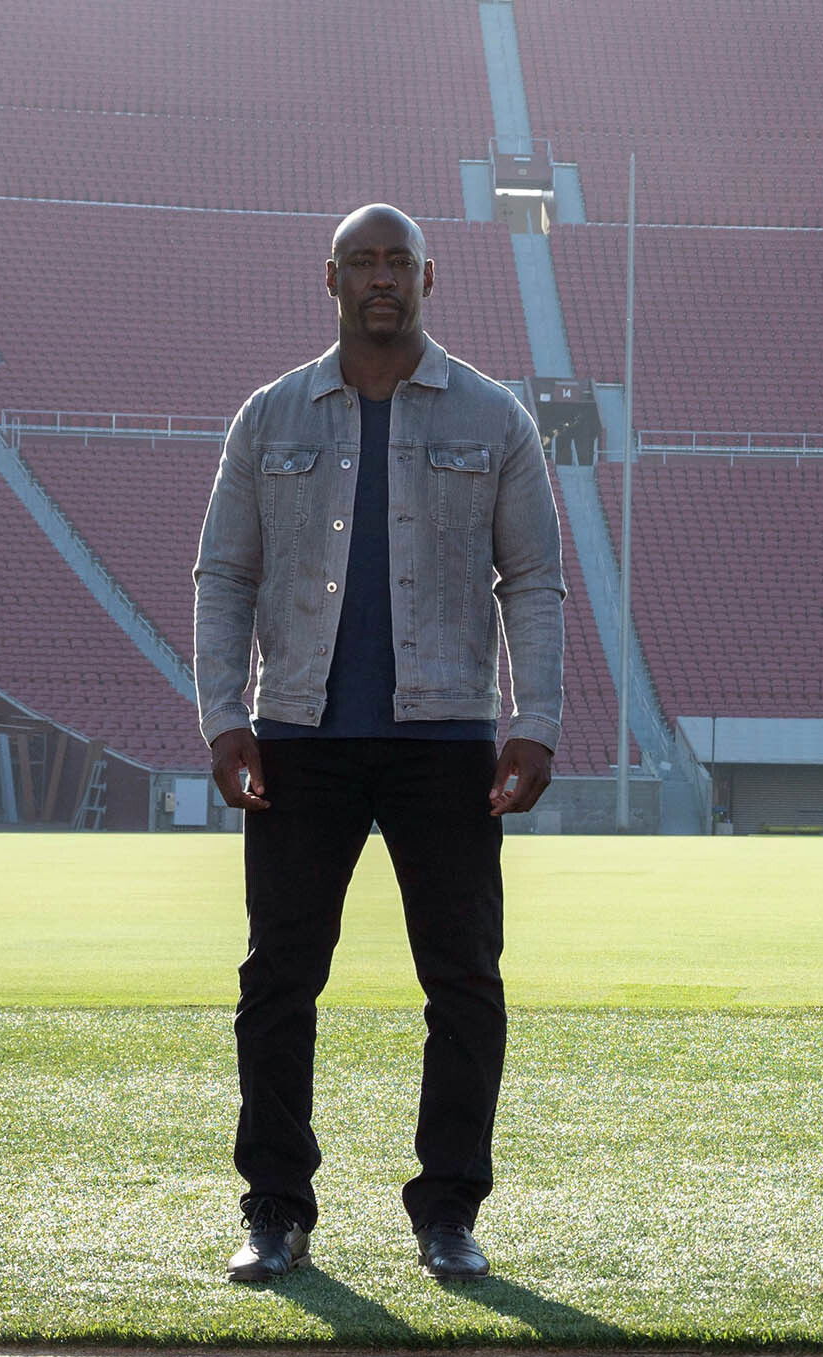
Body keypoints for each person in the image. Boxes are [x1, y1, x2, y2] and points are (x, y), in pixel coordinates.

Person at [193, 204, 565, 1284]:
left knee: (464, 982)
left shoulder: (493, 416)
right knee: (277, 981)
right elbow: (225, 575)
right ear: (332, 280)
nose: (381, 277)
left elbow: (533, 580)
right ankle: (275, 1207)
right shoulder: (269, 417)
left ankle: (448, 1210)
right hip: (298, 733)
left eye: (399, 260)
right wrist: (223, 715)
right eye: (362, 262)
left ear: (429, 277)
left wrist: (534, 721)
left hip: (445, 738)